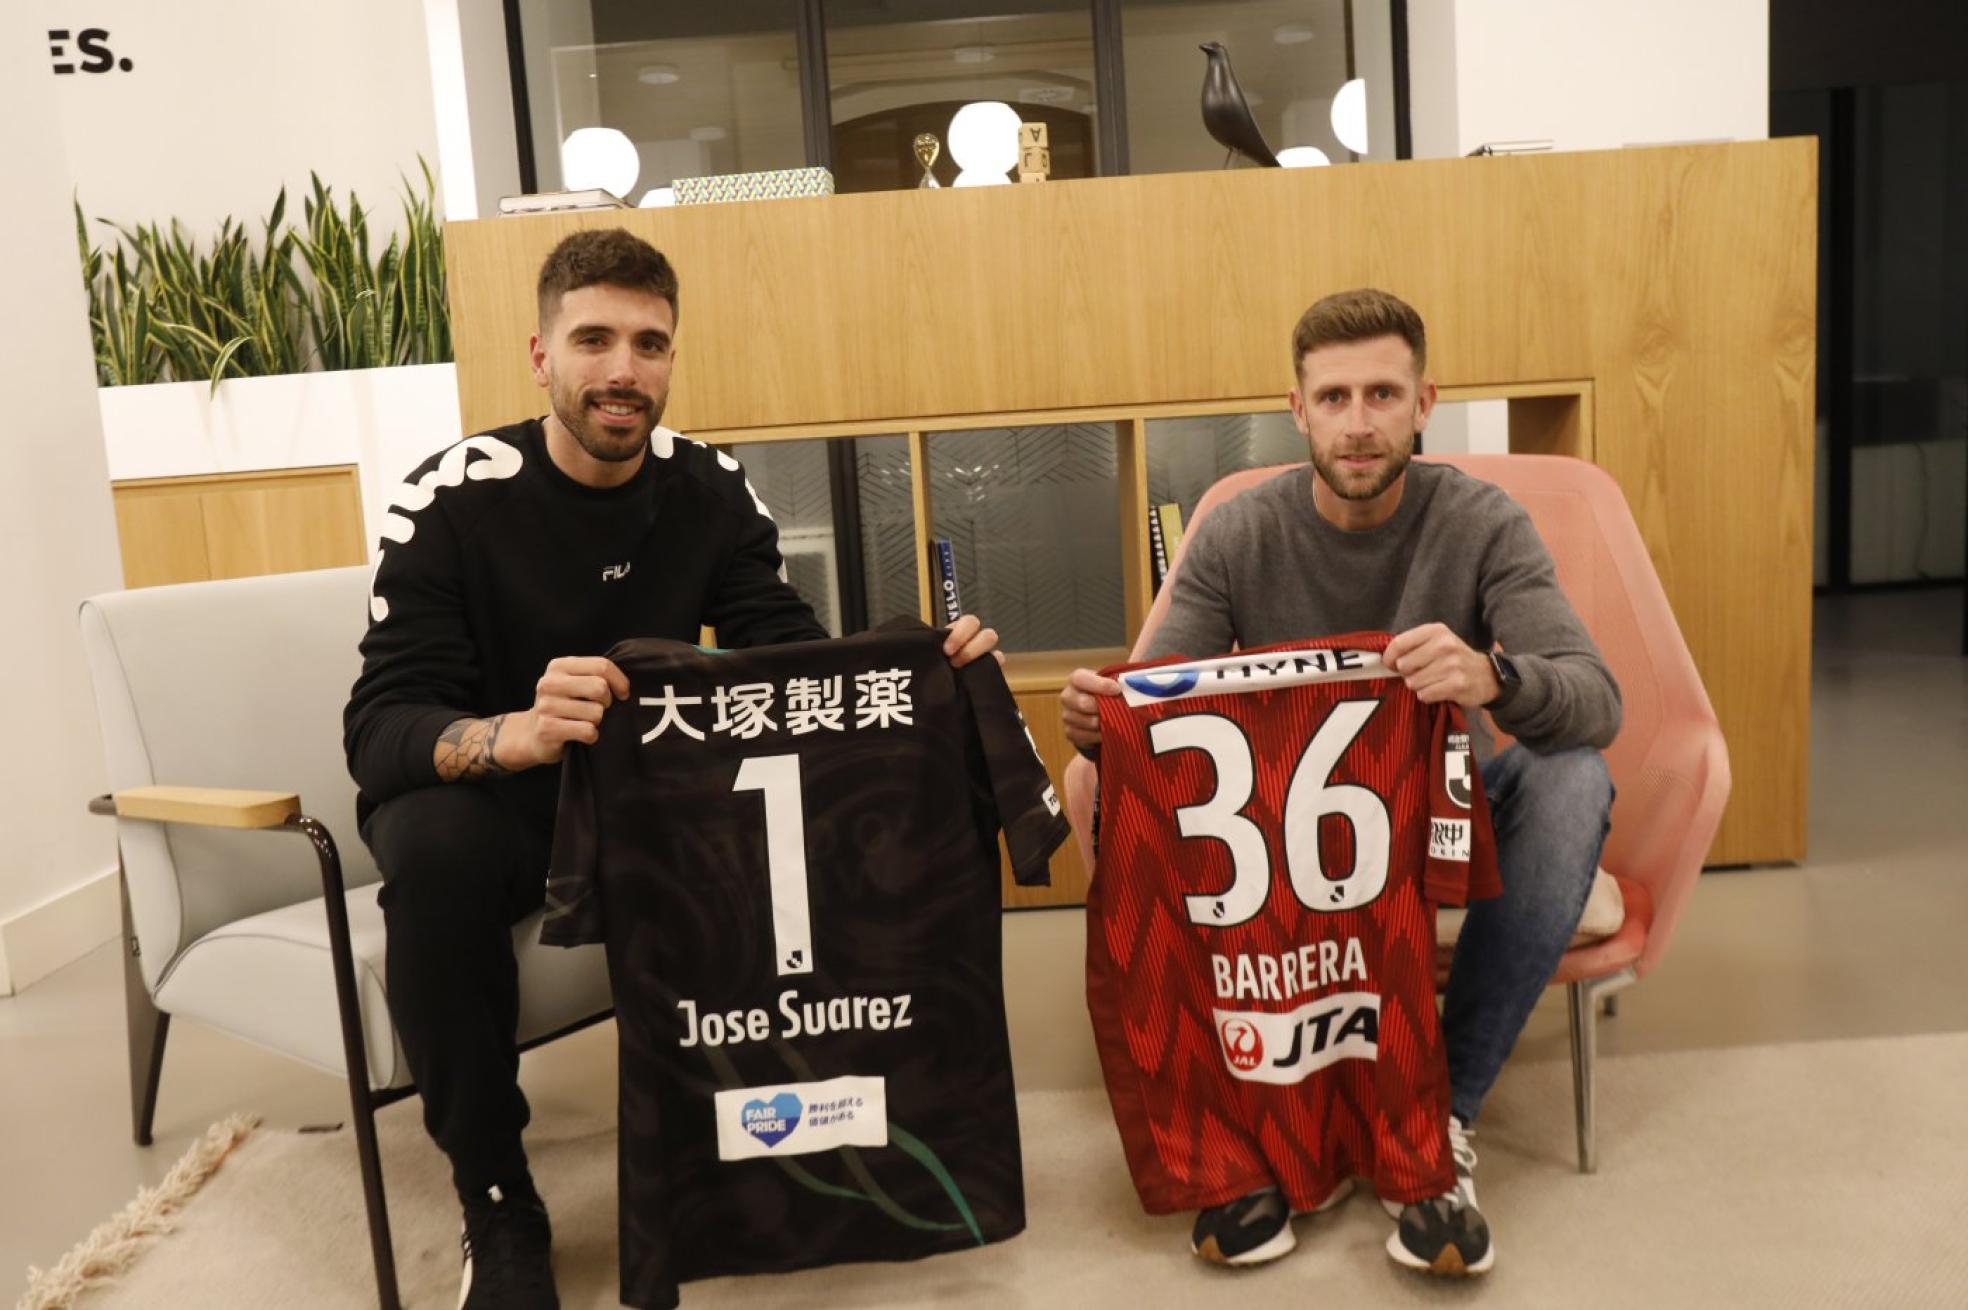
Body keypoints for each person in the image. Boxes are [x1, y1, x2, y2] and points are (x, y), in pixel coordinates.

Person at [343, 227, 1000, 1310]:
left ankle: (801, 1134)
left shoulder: (708, 484)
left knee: (821, 799)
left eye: (649, 343)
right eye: (593, 338)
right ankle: (498, 1194)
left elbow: (786, 654)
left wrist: (922, 661)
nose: (623, 369)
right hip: (505, 806)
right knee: (431, 847)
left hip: (654, 798)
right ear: (540, 354)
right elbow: (381, 727)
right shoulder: (450, 497)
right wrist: (512, 731)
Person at [1058, 288, 1619, 1277]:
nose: (1358, 422)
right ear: (1298, 408)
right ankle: (1239, 1132)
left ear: (1423, 403)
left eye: (1382, 394)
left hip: (1434, 821)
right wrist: (1098, 729)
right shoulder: (1238, 530)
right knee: (1101, 773)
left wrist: (1496, 675)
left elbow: (1595, 699)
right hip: (1282, 845)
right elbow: (1154, 697)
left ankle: (1438, 1122)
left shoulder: (1484, 521)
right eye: (1335, 397)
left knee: (1572, 777)